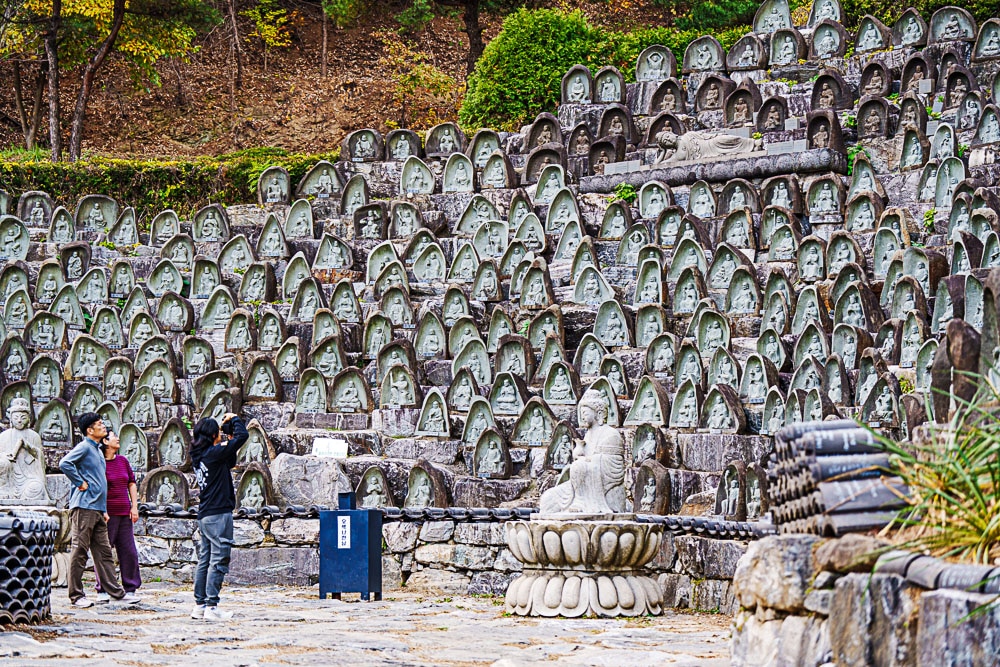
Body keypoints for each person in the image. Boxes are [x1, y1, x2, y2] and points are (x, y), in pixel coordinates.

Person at [58, 413, 141, 608]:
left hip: (97, 509)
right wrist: (79, 482)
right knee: (79, 551)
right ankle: (76, 596)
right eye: (100, 424)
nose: (104, 427)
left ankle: (116, 593)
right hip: (84, 507)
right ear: (90, 430)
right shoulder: (85, 447)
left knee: (104, 553)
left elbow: (101, 483)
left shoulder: (96, 450)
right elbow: (65, 463)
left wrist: (103, 509)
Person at [190, 412, 248, 621]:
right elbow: (243, 437)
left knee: (205, 559)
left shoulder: (201, 456)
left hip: (206, 514)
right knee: (219, 558)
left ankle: (200, 605)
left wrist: (228, 436)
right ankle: (212, 606)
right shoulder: (213, 454)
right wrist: (234, 419)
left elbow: (229, 460)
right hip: (218, 514)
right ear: (213, 434)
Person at [93, 430, 141, 602]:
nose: (118, 438)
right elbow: (97, 487)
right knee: (104, 551)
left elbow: (131, 483)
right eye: (114, 436)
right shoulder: (99, 463)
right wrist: (102, 510)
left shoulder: (123, 461)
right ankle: (103, 589)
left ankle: (130, 587)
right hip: (107, 514)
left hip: (125, 513)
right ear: (105, 442)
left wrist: (134, 506)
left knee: (129, 551)